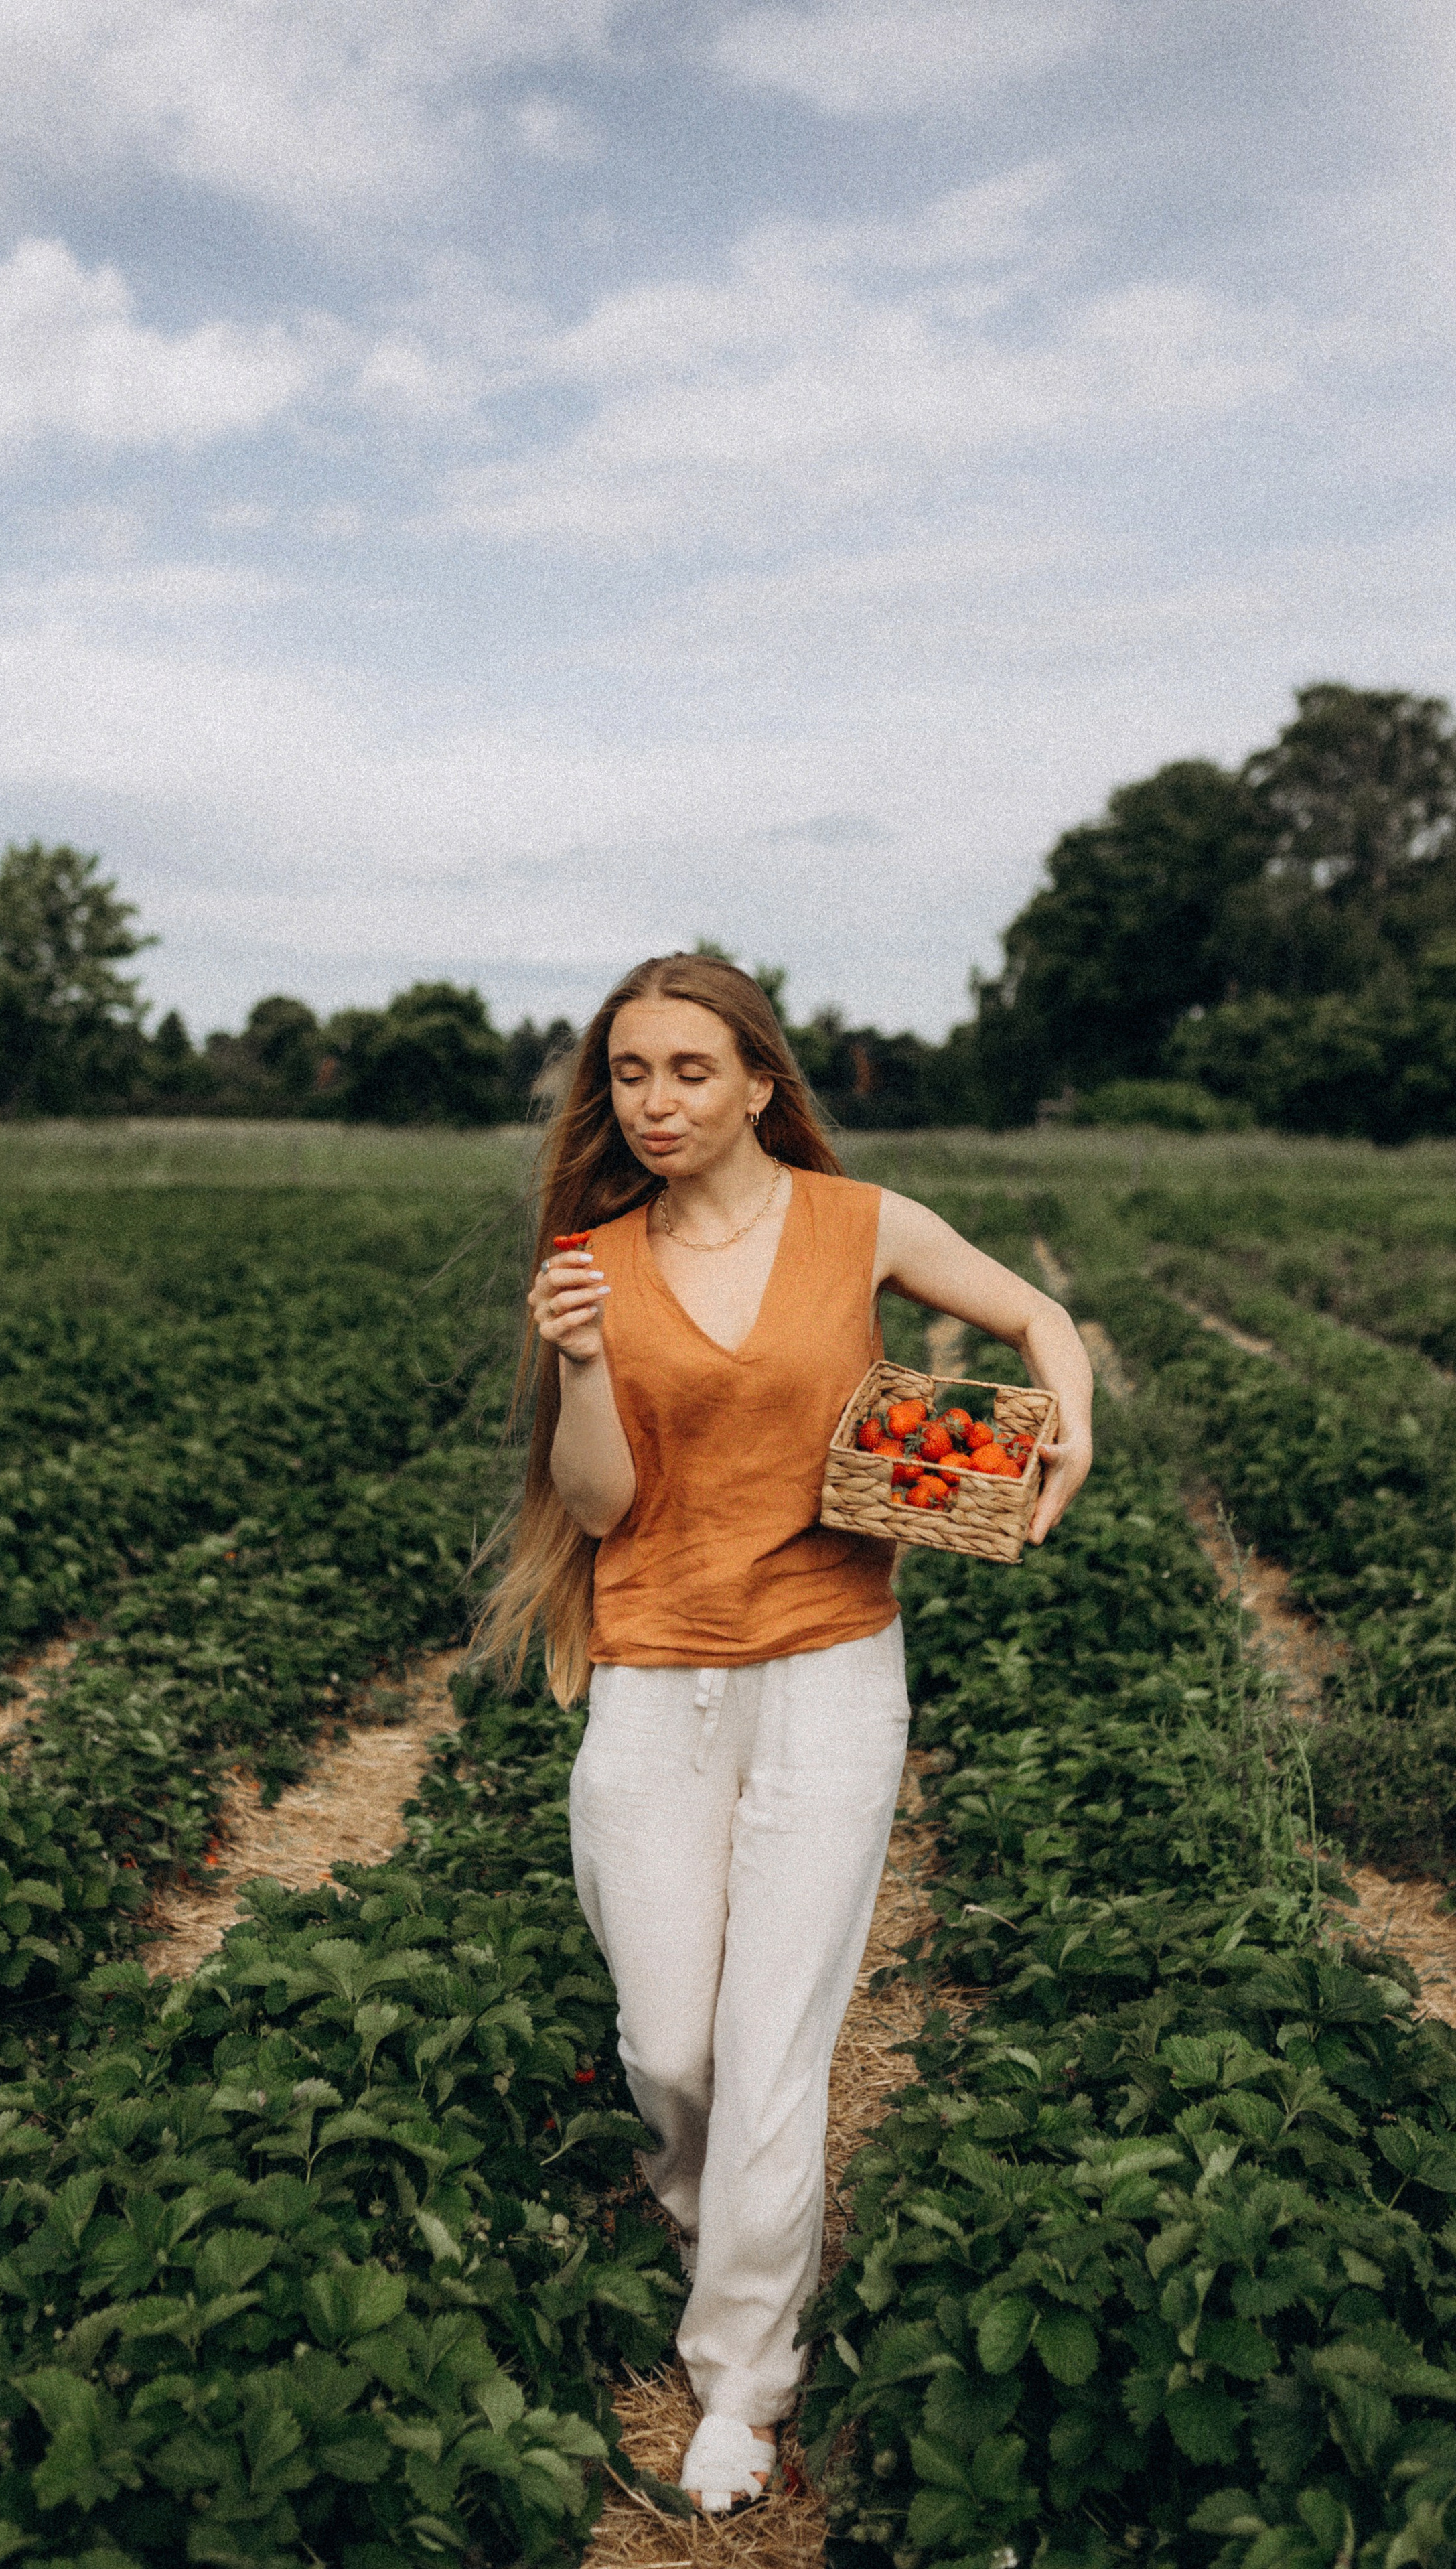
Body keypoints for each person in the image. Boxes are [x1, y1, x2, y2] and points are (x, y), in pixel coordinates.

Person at [478, 952, 1093, 2516]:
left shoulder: (854, 1222)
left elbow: (1034, 1313)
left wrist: (1068, 1421)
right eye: (628, 1073)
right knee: (666, 2044)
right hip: (651, 1671)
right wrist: (577, 1358)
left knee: (769, 2048)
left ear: (759, 1082)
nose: (654, 1100)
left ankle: (741, 2377)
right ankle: (713, 2220)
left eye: (689, 1070)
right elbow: (597, 1508)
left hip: (828, 1669)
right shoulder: (592, 1259)